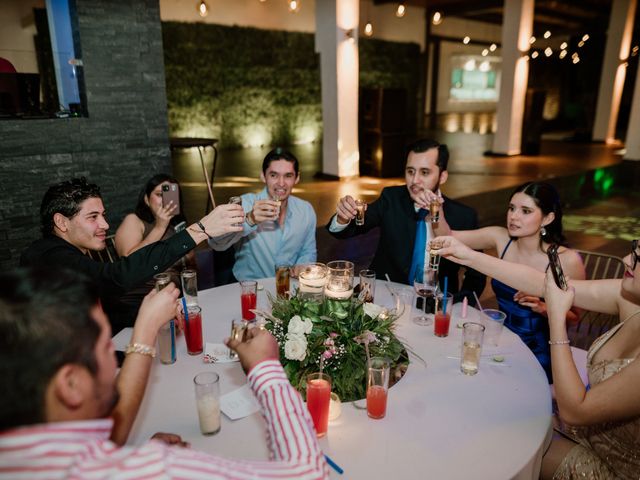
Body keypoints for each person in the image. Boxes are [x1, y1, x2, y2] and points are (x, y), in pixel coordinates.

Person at [0, 267, 329, 479]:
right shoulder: (154, 469)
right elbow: (309, 473)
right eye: (105, 348)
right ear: (71, 385)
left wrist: (130, 456)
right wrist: (265, 369)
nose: (115, 362)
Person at [436, 236, 640, 479]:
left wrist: (556, 316)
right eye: (633, 250)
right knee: (491, 410)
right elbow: (542, 283)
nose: (627, 259)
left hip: (615, 467)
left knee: (499, 445)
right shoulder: (629, 298)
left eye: (639, 257)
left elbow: (576, 411)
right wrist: (467, 254)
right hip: (583, 431)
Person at [20, 177, 244, 333]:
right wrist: (199, 230)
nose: (105, 224)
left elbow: (109, 308)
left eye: (103, 215)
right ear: (61, 222)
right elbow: (117, 276)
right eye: (93, 217)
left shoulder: (69, 254)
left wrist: (154, 313)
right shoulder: (48, 256)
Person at [432, 181, 586, 383]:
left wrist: (544, 306)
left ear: (548, 218)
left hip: (539, 351)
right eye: (511, 208)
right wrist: (437, 209)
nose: (514, 216)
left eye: (525, 211)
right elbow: (447, 236)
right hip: (498, 341)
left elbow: (575, 317)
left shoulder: (566, 260)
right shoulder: (501, 238)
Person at [326, 138, 485, 303]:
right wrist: (343, 217)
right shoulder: (391, 198)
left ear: (442, 176)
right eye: (410, 171)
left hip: (438, 305)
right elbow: (352, 228)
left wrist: (458, 304)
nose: (415, 180)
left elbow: (476, 274)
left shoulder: (463, 216)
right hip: (387, 296)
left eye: (424, 172)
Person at [209, 148, 317, 281]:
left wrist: (302, 265)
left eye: (288, 176)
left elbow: (308, 251)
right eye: (274, 175)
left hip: (288, 288)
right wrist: (250, 219)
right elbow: (216, 243)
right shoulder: (245, 204)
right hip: (249, 290)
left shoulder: (306, 210)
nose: (281, 183)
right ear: (263, 176)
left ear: (297, 178)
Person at [114, 173, 188, 257]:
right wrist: (160, 227)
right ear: (147, 199)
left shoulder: (177, 223)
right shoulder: (133, 220)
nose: (165, 200)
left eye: (171, 195)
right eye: (160, 194)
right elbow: (128, 259)